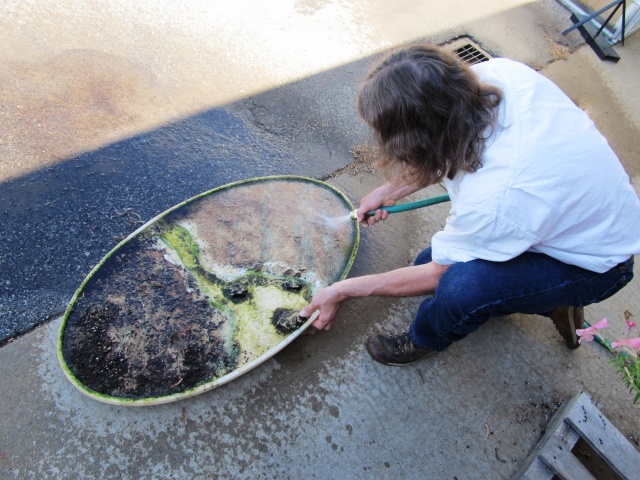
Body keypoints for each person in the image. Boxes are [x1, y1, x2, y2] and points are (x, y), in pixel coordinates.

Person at [299, 43, 640, 366]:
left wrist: (342, 290)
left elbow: (438, 273)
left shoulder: (496, 198)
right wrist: (389, 192)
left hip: (598, 264)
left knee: (460, 288)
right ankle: (530, 295)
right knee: (426, 261)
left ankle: (426, 338)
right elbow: (440, 143)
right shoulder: (499, 75)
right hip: (567, 215)